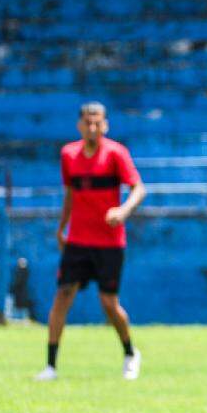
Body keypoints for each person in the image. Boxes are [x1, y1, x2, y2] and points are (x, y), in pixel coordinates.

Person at [35, 102, 146, 381]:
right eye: (88, 122)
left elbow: (139, 188)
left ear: (105, 125)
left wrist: (123, 211)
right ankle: (51, 366)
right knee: (62, 296)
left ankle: (130, 353)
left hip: (109, 242)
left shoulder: (116, 154)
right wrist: (62, 228)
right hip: (78, 240)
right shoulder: (69, 155)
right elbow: (70, 194)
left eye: (98, 122)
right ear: (80, 125)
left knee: (108, 303)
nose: (93, 127)